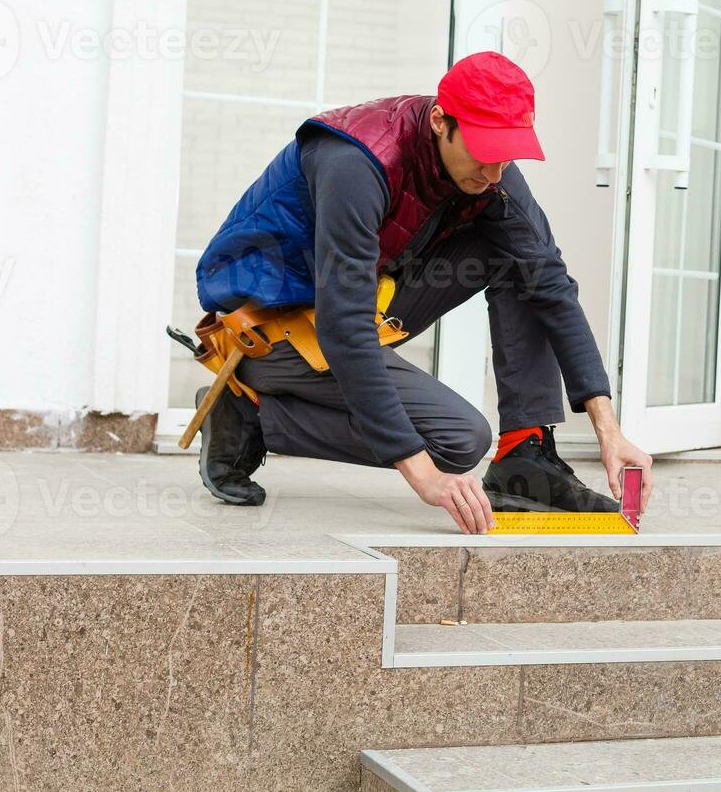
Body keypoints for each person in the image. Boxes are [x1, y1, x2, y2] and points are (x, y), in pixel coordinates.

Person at [190, 51, 653, 533]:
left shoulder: (486, 173)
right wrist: (420, 474)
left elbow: (552, 283)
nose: (494, 175)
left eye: (505, 156)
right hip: (268, 329)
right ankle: (250, 416)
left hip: (354, 306)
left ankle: (524, 453)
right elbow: (343, 325)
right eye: (482, 153)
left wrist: (609, 429)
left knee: (524, 256)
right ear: (439, 121)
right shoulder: (354, 162)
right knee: (456, 442)